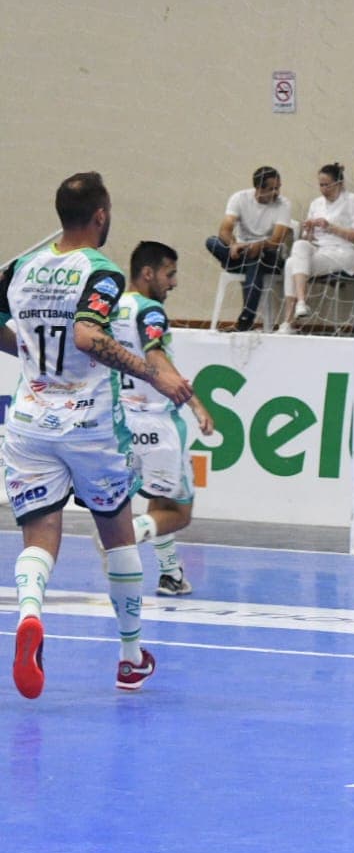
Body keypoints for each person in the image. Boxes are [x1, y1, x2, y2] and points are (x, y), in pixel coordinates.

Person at [0, 172, 194, 698]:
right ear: (101, 216)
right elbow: (88, 336)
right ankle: (130, 659)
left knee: (40, 535)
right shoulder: (101, 272)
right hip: (91, 424)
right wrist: (153, 374)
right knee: (117, 533)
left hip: (30, 420)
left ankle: (30, 616)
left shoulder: (22, 268)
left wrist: (27, 351)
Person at [105, 240, 215, 596]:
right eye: (170, 274)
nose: (175, 283)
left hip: (121, 423)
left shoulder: (110, 308)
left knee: (158, 499)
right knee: (179, 512)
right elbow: (155, 356)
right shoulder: (150, 310)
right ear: (148, 273)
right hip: (158, 423)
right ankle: (122, 538)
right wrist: (196, 404)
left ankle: (170, 574)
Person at [205, 165, 292, 332]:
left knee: (256, 259)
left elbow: (277, 240)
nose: (276, 192)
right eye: (272, 189)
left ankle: (245, 320)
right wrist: (234, 245)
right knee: (212, 241)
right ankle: (246, 321)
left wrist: (259, 246)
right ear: (259, 188)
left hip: (269, 254)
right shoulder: (239, 198)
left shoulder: (283, 204)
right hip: (241, 250)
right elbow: (224, 230)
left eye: (278, 188)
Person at [277, 162, 354, 332]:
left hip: (344, 251)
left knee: (292, 264)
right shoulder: (316, 203)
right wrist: (309, 231)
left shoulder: (353, 201)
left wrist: (330, 227)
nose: (323, 189)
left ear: (339, 183)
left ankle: (289, 321)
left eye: (327, 185)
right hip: (320, 250)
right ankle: (301, 303)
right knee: (299, 245)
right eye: (321, 185)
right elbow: (309, 239)